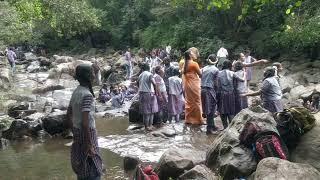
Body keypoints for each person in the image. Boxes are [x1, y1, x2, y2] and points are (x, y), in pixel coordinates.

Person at [66, 64, 103, 180]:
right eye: (92, 73)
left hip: (78, 133)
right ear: (88, 77)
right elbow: (85, 122)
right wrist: (89, 144)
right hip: (88, 134)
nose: (93, 75)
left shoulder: (76, 91)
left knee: (82, 166)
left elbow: (68, 115)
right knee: (93, 168)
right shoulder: (87, 95)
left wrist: (75, 133)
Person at [217, 60, 245, 129]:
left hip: (221, 94)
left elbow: (216, 85)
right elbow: (241, 81)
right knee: (231, 111)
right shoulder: (232, 73)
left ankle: (225, 127)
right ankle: (231, 128)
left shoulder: (218, 73)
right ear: (230, 66)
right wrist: (244, 74)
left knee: (222, 111)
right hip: (230, 94)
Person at [182, 48, 203, 125]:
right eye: (193, 53)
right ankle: (198, 120)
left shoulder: (185, 63)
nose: (194, 54)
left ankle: (189, 119)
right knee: (197, 101)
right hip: (194, 84)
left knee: (189, 102)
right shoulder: (194, 64)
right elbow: (200, 74)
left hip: (187, 84)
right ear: (190, 55)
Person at [201, 54, 219, 134]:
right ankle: (209, 129)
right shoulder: (216, 70)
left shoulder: (203, 68)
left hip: (202, 90)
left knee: (207, 108)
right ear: (215, 61)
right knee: (211, 109)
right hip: (210, 90)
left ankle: (212, 125)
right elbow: (216, 83)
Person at [137, 63, 159, 131]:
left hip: (141, 93)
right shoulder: (149, 74)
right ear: (148, 68)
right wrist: (156, 92)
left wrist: (140, 87)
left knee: (145, 112)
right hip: (148, 93)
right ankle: (149, 126)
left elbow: (137, 83)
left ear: (143, 68)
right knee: (151, 111)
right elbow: (154, 83)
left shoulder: (140, 75)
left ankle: (146, 126)